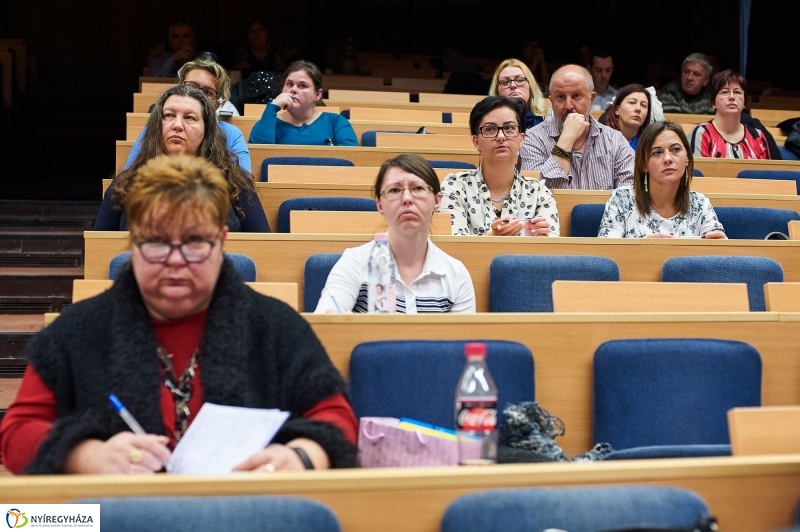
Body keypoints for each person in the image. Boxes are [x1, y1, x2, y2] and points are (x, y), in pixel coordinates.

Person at [0, 154, 358, 474]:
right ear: (133, 243)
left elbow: (337, 419)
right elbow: (16, 433)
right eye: (156, 241)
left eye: (194, 242)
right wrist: (87, 456)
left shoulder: (276, 325)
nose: (175, 260)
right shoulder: (76, 330)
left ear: (221, 241)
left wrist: (301, 457)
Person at [315, 154, 476, 314]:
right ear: (379, 205)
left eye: (418, 188)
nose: (407, 198)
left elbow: (461, 339)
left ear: (437, 201)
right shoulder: (354, 262)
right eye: (394, 190)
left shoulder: (457, 275)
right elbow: (326, 321)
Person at [95, 85, 269, 232]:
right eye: (169, 115)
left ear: (206, 131)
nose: (177, 125)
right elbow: (97, 252)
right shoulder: (124, 185)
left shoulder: (236, 185)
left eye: (190, 118)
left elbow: (263, 248)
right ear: (157, 126)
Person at [439, 96, 559, 237]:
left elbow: (550, 251)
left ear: (522, 139)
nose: (501, 136)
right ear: (476, 141)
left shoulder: (539, 193)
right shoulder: (454, 187)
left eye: (509, 128)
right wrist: (492, 237)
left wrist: (543, 240)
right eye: (490, 129)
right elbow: (453, 249)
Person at [598, 121, 726, 239]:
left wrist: (718, 245)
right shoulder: (622, 200)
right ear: (644, 164)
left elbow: (720, 254)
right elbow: (607, 253)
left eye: (675, 149)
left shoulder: (700, 204)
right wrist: (642, 248)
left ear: (687, 158)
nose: (668, 159)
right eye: (657, 152)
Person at [520, 65, 634, 190]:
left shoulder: (616, 141)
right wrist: (566, 139)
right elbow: (534, 195)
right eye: (561, 97)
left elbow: (629, 198)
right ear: (551, 101)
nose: (568, 106)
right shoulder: (533, 138)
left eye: (576, 96)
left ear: (592, 98)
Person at [127, 58, 251, 173]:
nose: (197, 95)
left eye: (207, 92)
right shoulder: (156, 127)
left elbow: (242, 186)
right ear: (178, 91)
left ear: (217, 104)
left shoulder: (232, 134)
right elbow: (129, 177)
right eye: (191, 87)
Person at [249, 60, 358, 145]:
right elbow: (258, 158)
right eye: (289, 84)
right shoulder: (268, 122)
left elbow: (349, 162)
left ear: (318, 95)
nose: (293, 90)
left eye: (302, 85)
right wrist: (272, 108)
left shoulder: (336, 122)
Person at [689, 70, 771, 159]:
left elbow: (765, 172)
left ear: (744, 103)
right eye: (724, 92)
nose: (732, 97)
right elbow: (698, 171)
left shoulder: (757, 136)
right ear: (713, 103)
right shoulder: (701, 133)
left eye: (737, 92)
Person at [488, 59, 548, 130]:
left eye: (520, 80)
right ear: (497, 91)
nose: (513, 85)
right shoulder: (488, 124)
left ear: (531, 86)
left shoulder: (549, 119)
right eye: (505, 82)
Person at [604, 84, 652, 150]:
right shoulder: (601, 137)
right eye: (632, 102)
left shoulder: (650, 143)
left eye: (643, 105)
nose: (638, 109)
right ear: (617, 109)